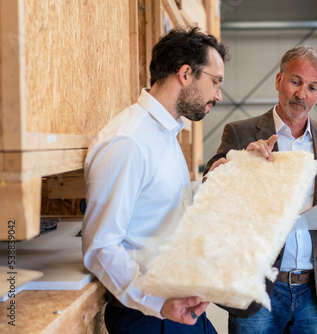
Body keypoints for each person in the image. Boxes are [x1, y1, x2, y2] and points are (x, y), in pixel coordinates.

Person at [204, 45, 317, 334]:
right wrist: (239, 163)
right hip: (258, 291)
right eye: (296, 82)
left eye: (313, 87)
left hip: (314, 293)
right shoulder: (241, 133)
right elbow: (208, 193)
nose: (302, 94)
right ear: (279, 81)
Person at [81, 26, 231, 333]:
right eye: (215, 82)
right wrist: (158, 303)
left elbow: (160, 206)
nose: (218, 95)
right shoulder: (128, 141)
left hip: (177, 305)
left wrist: (207, 185)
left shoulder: (164, 132)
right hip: (150, 316)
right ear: (186, 74)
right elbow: (101, 246)